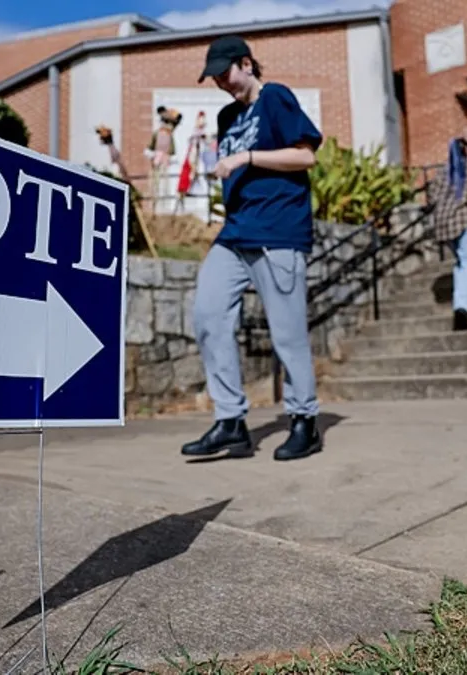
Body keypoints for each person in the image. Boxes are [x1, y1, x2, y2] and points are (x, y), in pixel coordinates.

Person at [180, 34, 324, 462]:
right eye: (215, 78)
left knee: (287, 333)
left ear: (245, 63)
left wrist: (247, 158)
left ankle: (304, 421)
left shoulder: (275, 97)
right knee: (207, 315)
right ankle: (231, 423)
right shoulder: (227, 117)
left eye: (225, 73)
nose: (221, 82)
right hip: (236, 231)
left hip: (278, 230)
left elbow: (305, 157)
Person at [428, 132, 467, 331]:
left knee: (461, 263)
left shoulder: (443, 172)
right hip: (465, 220)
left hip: (444, 226)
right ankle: (462, 310)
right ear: (466, 150)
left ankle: (461, 302)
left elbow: (431, 197)